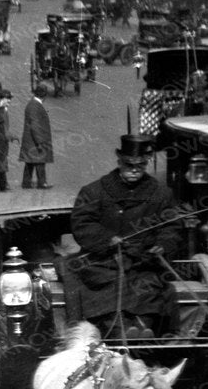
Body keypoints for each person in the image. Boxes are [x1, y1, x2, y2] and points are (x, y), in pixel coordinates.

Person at [70, 133, 187, 336]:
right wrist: (107, 239)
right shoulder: (93, 191)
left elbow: (172, 227)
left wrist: (163, 245)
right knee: (107, 288)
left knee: (149, 288)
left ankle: (142, 329)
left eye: (140, 166)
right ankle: (120, 331)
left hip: (144, 261)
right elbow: (82, 223)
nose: (134, 170)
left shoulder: (161, 194)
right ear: (119, 159)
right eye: (128, 165)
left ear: (147, 163)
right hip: (103, 261)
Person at [19, 83, 53, 189]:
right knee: (40, 162)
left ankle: (26, 182)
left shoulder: (32, 104)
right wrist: (41, 141)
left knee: (30, 163)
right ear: (44, 96)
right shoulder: (35, 106)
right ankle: (42, 183)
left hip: (31, 140)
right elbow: (35, 125)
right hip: (34, 140)